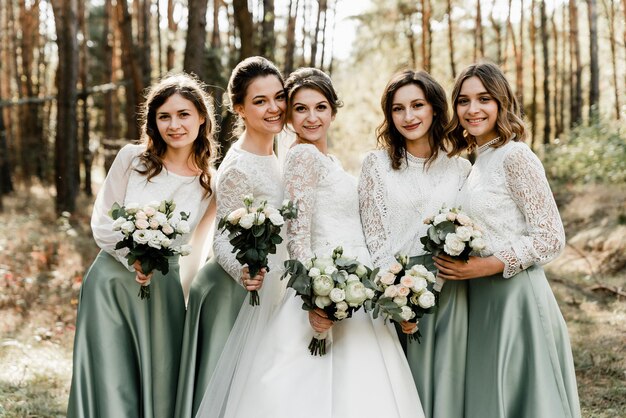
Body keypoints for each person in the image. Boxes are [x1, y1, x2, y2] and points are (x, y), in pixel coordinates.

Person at [195, 67, 425, 418]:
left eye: (320, 107)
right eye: (300, 108)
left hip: (355, 287)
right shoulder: (301, 157)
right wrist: (317, 297)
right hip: (329, 288)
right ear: (290, 116)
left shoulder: (323, 159)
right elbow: (297, 236)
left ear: (334, 110)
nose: (311, 116)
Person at [66, 72, 217, 418]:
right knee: (109, 376)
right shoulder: (132, 159)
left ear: (201, 118)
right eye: (164, 116)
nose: (174, 125)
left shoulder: (210, 185)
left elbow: (197, 249)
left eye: (183, 115)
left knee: (159, 381)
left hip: (163, 295)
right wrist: (131, 257)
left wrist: (185, 301)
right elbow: (102, 220)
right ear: (153, 122)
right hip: (110, 284)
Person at [435, 61, 581, 417]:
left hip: (518, 299)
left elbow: (550, 237)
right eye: (464, 101)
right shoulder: (477, 163)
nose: (473, 109)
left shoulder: (516, 155)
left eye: (484, 99)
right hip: (482, 300)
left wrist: (489, 264)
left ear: (501, 102)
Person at [175, 56, 287, 418]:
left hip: (264, 285)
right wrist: (243, 271)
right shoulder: (238, 165)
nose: (274, 108)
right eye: (260, 101)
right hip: (232, 290)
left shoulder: (276, 152)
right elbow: (223, 236)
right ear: (238, 107)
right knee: (226, 393)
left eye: (279, 97)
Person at [358, 69, 471, 418]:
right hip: (395, 292)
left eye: (418, 105)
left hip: (452, 294)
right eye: (398, 109)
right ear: (389, 115)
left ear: (435, 108)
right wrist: (398, 295)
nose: (409, 117)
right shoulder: (376, 165)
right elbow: (373, 236)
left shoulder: (461, 168)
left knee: (446, 384)